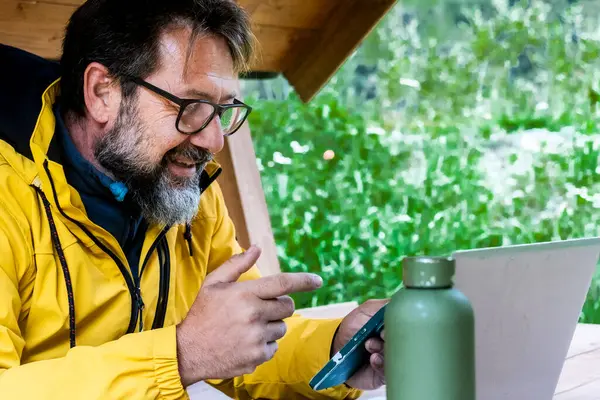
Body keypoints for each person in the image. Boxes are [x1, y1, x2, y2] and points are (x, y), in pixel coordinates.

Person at [0, 0, 387, 398]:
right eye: (190, 107)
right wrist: (182, 355)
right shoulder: (8, 201)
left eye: (222, 111)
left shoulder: (184, 191)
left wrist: (336, 349)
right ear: (102, 92)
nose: (214, 140)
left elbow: (243, 341)